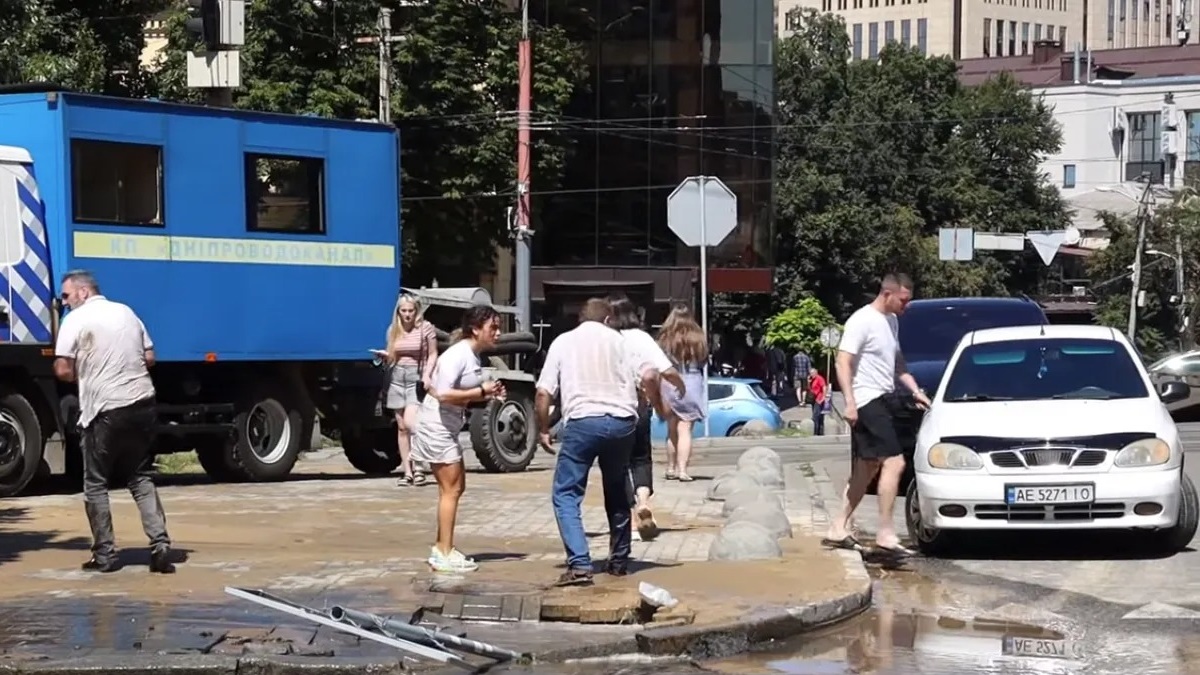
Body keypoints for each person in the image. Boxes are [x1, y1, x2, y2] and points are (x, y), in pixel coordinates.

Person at [52, 270, 174, 574]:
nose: (63, 302)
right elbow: (149, 358)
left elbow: (63, 370)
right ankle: (160, 545)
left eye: (66, 296)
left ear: (82, 292)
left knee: (95, 484)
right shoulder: (126, 312)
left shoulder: (75, 320)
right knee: (140, 477)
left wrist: (89, 373)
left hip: (105, 410)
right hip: (143, 405)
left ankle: (104, 555)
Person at [535, 298, 653, 586]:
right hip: (622, 423)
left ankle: (579, 565)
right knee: (616, 489)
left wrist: (543, 429)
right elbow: (644, 382)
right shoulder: (623, 342)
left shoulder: (564, 342)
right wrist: (637, 414)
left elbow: (543, 392)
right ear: (608, 319)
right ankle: (620, 562)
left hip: (583, 423)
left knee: (566, 494)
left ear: (580, 318)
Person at [824, 273, 930, 557]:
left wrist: (914, 390)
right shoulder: (861, 321)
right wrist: (849, 402)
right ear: (887, 294)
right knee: (895, 463)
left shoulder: (891, 321)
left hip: (885, 397)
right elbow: (843, 361)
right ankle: (885, 532)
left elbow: (897, 362)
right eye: (904, 300)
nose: (906, 306)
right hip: (866, 399)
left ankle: (837, 527)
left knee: (866, 468)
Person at [412, 305, 505, 573]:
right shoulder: (459, 354)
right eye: (493, 328)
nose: (497, 333)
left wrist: (486, 393)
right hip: (437, 425)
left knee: (454, 487)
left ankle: (443, 546)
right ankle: (443, 552)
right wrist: (480, 390)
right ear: (475, 329)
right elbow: (441, 392)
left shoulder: (471, 355)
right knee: (451, 489)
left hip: (446, 426)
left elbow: (461, 391)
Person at [605, 294, 681, 542]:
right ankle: (644, 502)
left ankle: (629, 519)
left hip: (610, 409)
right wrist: (679, 386)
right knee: (641, 459)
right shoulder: (642, 338)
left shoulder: (604, 339)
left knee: (618, 465)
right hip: (638, 407)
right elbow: (664, 370)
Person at [383, 293, 438, 487]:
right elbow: (391, 356)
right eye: (403, 311)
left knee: (412, 424)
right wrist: (385, 357)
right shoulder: (393, 330)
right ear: (398, 312)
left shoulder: (425, 328)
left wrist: (427, 375)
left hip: (416, 377)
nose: (407, 315)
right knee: (402, 427)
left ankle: (420, 467)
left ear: (416, 311)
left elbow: (432, 354)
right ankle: (407, 471)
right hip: (397, 377)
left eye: (410, 311)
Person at [657, 305, 708, 482]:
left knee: (671, 428)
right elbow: (704, 360)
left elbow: (658, 362)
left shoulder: (665, 338)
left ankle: (670, 467)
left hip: (670, 380)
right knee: (685, 429)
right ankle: (683, 470)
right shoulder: (698, 337)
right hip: (692, 380)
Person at [809, 369, 828, 437]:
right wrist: (809, 382)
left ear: (815, 373)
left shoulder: (819, 378)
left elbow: (824, 387)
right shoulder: (812, 380)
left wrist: (823, 397)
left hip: (819, 399)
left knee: (816, 416)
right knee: (818, 416)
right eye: (810, 373)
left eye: (812, 373)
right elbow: (810, 389)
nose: (811, 375)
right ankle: (819, 432)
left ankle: (816, 432)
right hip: (814, 399)